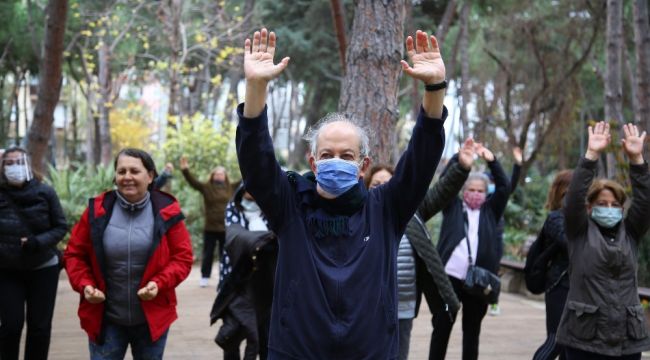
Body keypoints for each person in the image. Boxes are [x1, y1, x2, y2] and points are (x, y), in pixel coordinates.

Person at [236, 27, 448, 358]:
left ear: (363, 165)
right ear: (313, 162)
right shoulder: (291, 207)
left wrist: (434, 88)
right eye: (327, 155)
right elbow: (257, 163)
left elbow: (421, 160)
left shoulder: (385, 210)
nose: (337, 161)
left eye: (347, 156)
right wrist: (255, 86)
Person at [64, 148, 193, 360]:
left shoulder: (167, 210)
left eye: (134, 171)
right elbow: (74, 254)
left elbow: (182, 258)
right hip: (106, 319)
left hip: (151, 319)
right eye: (121, 171)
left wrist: (159, 283)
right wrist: (85, 284)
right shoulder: (97, 210)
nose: (127, 177)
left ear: (150, 176)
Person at [366, 138, 479, 360]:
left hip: (403, 305)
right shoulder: (360, 215)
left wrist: (462, 167)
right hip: (368, 305)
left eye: (388, 183)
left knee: (398, 354)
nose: (382, 189)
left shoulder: (411, 212)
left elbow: (440, 193)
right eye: (376, 184)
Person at [556, 122, 650, 360]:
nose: (609, 209)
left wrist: (637, 159)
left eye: (615, 205)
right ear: (589, 208)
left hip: (627, 340)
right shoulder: (579, 231)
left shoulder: (630, 232)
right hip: (584, 340)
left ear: (621, 208)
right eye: (601, 204)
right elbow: (573, 199)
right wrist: (591, 156)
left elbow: (645, 202)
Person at [430, 143, 511, 360]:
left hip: (479, 280)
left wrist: (492, 160)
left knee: (472, 331)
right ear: (463, 191)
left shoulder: (491, 211)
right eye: (471, 190)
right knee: (442, 327)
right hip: (450, 278)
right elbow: (445, 182)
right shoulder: (452, 207)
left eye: (480, 190)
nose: (475, 193)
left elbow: (504, 186)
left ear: (486, 193)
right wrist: (460, 158)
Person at [0, 147, 67, 360]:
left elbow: (60, 226)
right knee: (11, 325)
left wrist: (37, 242)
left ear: (28, 164)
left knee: (39, 327)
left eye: (18, 162)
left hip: (43, 268)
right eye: (9, 163)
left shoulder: (45, 192)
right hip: (7, 270)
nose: (14, 167)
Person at [210, 184, 277, 360]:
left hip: (264, 286)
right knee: (233, 334)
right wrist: (267, 240)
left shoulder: (272, 210)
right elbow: (235, 235)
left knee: (265, 337)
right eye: (248, 186)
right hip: (235, 284)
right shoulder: (233, 208)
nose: (252, 190)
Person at [532, 169, 573, 360]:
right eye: (569, 193)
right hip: (560, 287)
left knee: (570, 347)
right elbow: (570, 244)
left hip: (580, 288)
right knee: (556, 341)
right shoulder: (556, 218)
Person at [179, 156, 232, 287]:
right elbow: (193, 182)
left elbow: (246, 180)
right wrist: (185, 170)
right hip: (210, 228)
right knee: (208, 253)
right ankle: (205, 277)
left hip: (226, 227)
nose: (219, 176)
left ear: (225, 176)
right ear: (213, 176)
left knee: (225, 254)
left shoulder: (231, 188)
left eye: (221, 174)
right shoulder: (207, 187)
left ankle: (224, 276)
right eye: (217, 174)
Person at [488, 145, 523, 316]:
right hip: (480, 236)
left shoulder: (500, 197)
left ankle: (494, 302)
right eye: (491, 182)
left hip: (495, 237)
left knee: (494, 269)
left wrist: (517, 164)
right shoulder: (481, 197)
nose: (493, 185)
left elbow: (511, 184)